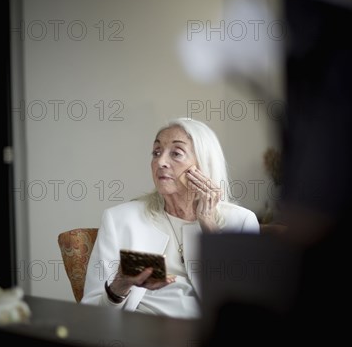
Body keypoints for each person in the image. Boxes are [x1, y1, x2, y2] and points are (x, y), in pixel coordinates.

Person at [81, 117, 260, 317]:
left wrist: (208, 225)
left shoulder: (241, 221)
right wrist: (119, 286)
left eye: (176, 153)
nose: (161, 161)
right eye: (156, 152)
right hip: (141, 333)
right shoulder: (120, 219)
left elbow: (248, 309)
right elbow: (92, 313)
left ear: (203, 165)